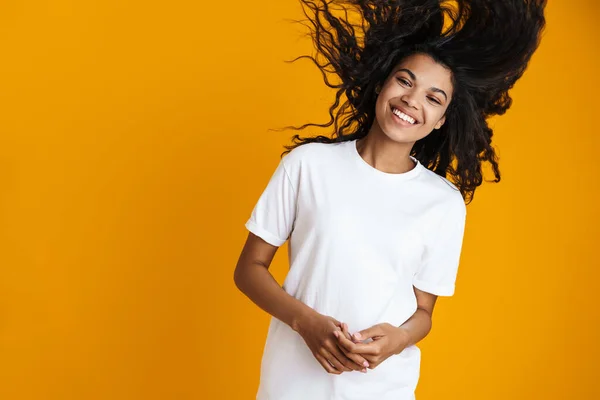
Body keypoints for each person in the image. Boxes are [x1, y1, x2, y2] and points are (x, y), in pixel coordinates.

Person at [234, 1, 546, 399]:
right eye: (405, 81)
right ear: (382, 84)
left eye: (434, 98)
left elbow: (423, 314)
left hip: (382, 389)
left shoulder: (443, 203)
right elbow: (249, 269)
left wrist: (397, 340)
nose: (412, 100)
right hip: (293, 384)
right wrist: (305, 323)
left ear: (442, 120)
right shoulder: (308, 165)